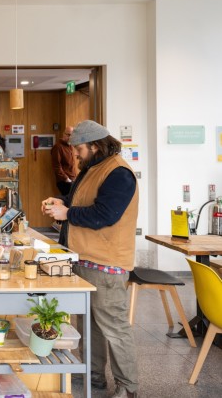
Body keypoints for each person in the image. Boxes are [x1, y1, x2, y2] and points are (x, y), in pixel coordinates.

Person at [41, 120, 139, 398]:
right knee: (89, 323)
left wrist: (67, 214)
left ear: (95, 145)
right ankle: (93, 375)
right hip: (85, 258)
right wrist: (62, 204)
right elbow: (81, 202)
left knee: (113, 326)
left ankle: (128, 387)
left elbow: (105, 214)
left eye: (79, 149)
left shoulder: (119, 173)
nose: (76, 154)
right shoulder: (93, 168)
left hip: (107, 262)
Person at [51, 126, 77, 195]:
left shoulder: (71, 146)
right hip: (64, 181)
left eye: (72, 135)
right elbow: (56, 166)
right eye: (68, 135)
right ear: (63, 134)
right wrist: (66, 179)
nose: (70, 137)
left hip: (72, 179)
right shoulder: (58, 147)